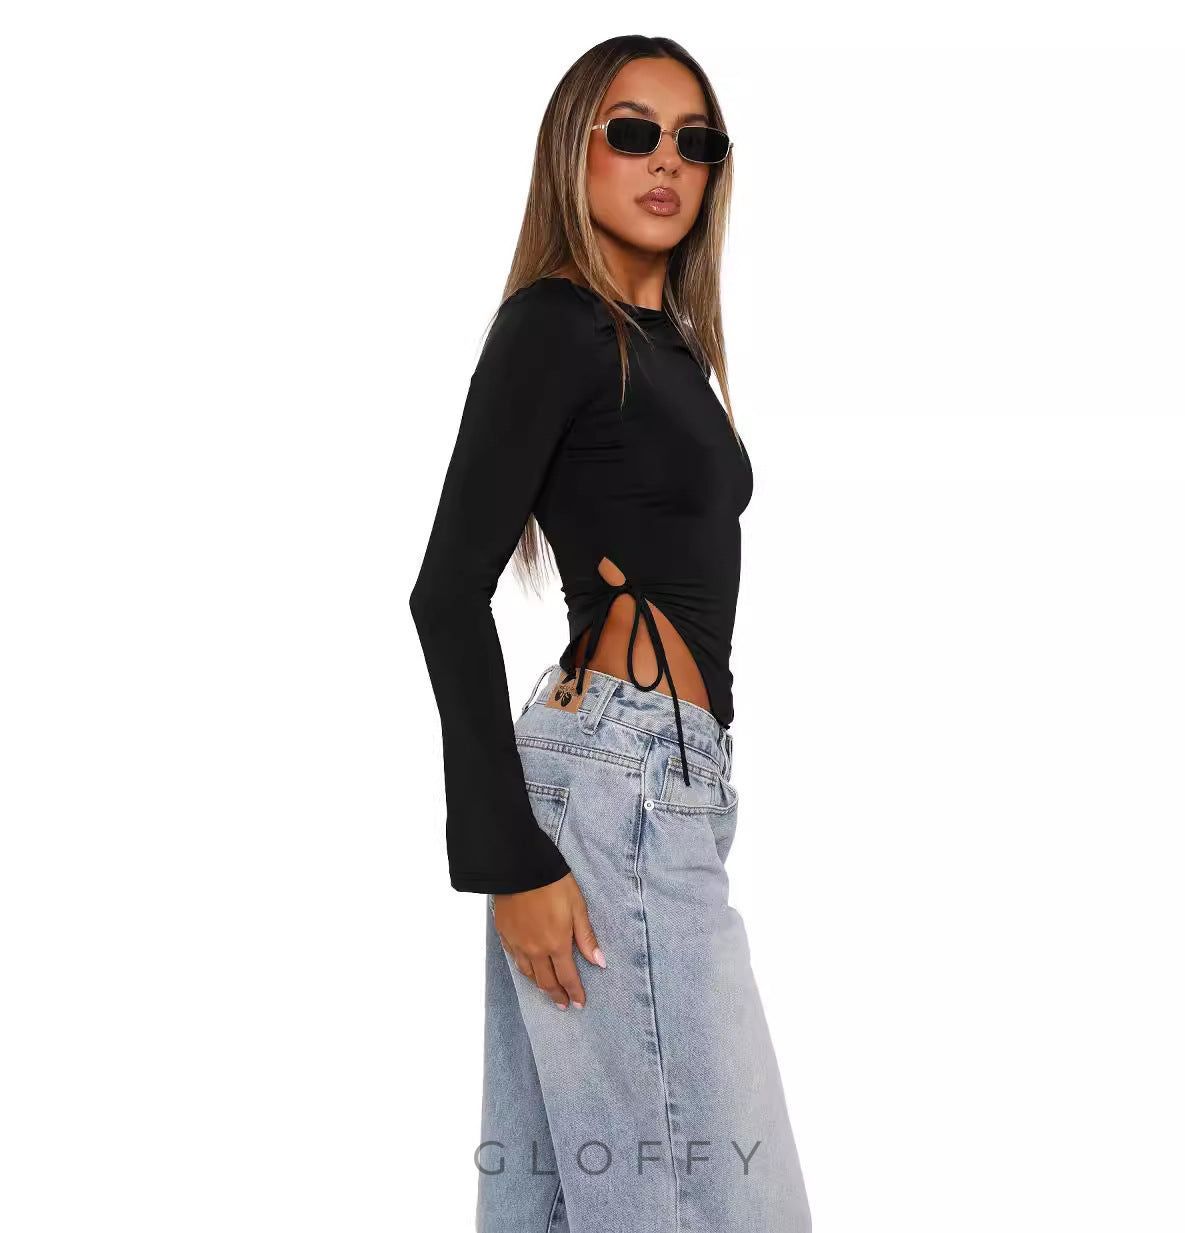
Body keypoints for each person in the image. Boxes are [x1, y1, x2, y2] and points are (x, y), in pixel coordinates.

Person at [408, 35, 811, 1233]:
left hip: (658, 782)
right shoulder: (555, 325)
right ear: (572, 150)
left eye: (695, 141)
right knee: (725, 1205)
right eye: (632, 132)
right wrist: (509, 856)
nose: (665, 161)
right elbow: (445, 592)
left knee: (561, 1201)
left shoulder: (669, 345)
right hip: (613, 788)